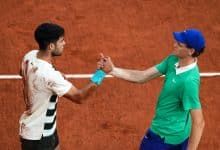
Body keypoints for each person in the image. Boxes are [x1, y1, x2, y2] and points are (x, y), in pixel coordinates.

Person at [99, 29, 206, 150]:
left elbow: (199, 122)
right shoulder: (173, 60)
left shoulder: (188, 82)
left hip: (163, 137)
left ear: (191, 51)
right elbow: (143, 76)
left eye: (179, 44)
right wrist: (112, 70)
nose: (174, 45)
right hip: (178, 132)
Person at [19, 22, 106, 150]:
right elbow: (79, 97)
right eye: (61, 41)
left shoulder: (29, 56)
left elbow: (24, 74)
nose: (64, 43)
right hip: (40, 137)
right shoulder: (50, 76)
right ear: (51, 46)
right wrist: (100, 73)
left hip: (45, 128)